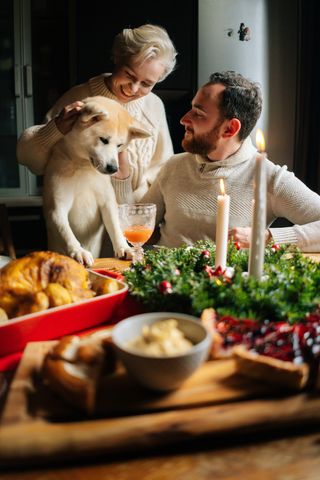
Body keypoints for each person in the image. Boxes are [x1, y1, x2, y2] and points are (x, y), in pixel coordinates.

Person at [116, 71, 320, 252]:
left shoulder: (270, 178)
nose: (184, 119)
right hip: (164, 285)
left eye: (198, 113)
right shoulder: (174, 166)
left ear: (230, 129)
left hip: (223, 290)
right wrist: (122, 175)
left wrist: (266, 238)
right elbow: (137, 227)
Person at [16, 24, 177, 202]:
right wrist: (55, 128)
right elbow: (30, 161)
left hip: (133, 222)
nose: (133, 88)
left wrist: (133, 214)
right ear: (117, 58)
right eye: (129, 74)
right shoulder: (80, 97)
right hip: (75, 222)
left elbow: (161, 173)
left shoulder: (154, 106)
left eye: (146, 84)